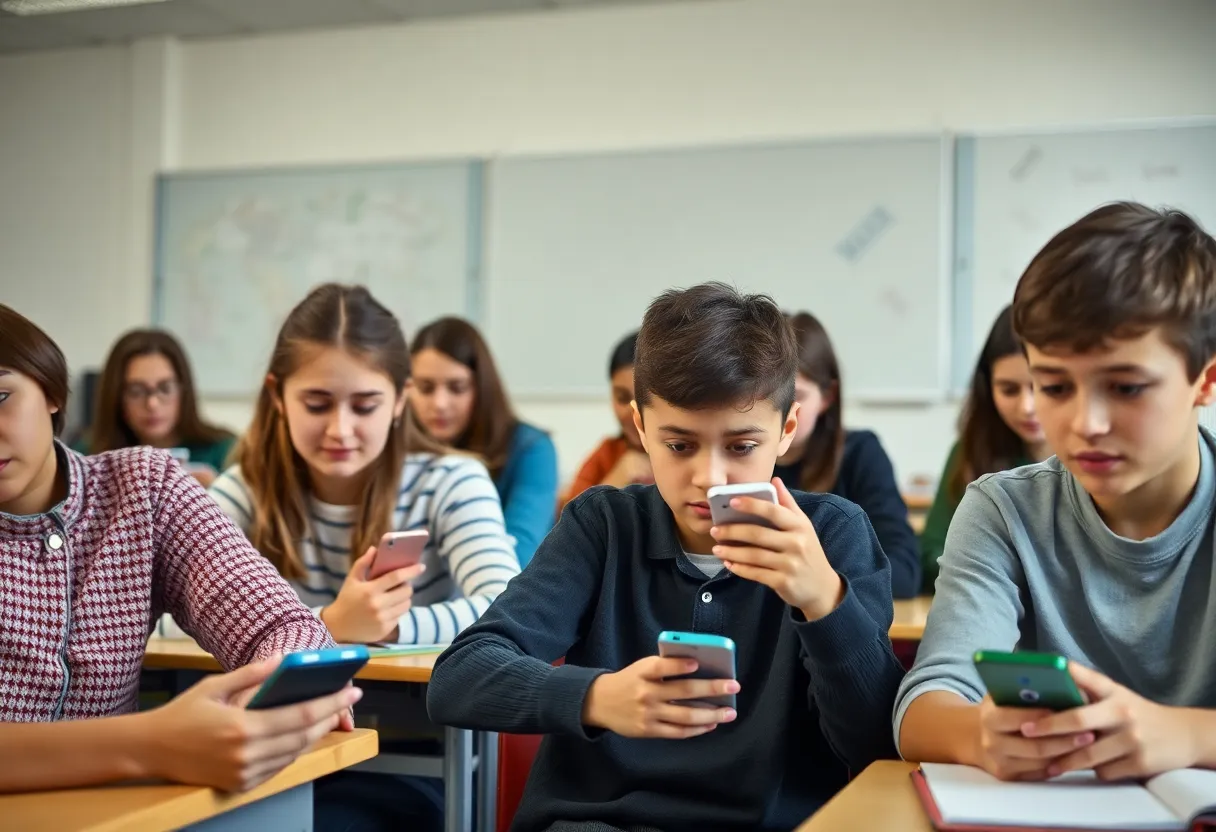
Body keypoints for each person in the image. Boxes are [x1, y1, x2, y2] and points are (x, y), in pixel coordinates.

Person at [428, 282, 905, 831]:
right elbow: (458, 678)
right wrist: (597, 697)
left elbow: (876, 743)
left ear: (787, 429)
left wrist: (825, 602)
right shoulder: (601, 525)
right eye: (679, 445)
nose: (710, 478)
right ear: (640, 428)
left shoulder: (835, 534)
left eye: (741, 447)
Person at [895, 203, 1216, 783]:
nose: (1085, 422)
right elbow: (924, 707)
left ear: (1206, 379)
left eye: (1124, 386)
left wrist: (1186, 734)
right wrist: (978, 734)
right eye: (1054, 385)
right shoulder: (1003, 509)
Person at [0, 304, 354, 794]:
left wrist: (265, 699)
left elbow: (281, 624)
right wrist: (150, 742)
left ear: (52, 392)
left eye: (0, 396)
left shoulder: (143, 488)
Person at [207, 285, 520, 647]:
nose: (340, 431)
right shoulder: (246, 489)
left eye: (365, 406)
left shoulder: (452, 482)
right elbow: (163, 616)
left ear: (401, 398)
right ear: (277, 395)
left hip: (417, 702)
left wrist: (388, 626)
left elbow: (507, 607)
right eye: (317, 404)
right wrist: (330, 623)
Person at [773, 311, 921, 598]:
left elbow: (903, 572)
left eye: (795, 396)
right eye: (767, 397)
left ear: (828, 396)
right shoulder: (731, 466)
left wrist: (818, 581)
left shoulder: (861, 454)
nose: (778, 413)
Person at [408, 317, 558, 566]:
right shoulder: (395, 451)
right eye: (425, 388)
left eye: (457, 388)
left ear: (481, 388)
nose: (439, 404)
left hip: (503, 597)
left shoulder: (531, 449)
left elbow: (516, 560)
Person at [919, 305, 1049, 590]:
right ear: (987, 388)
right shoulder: (970, 453)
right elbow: (932, 551)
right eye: (1009, 390)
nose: (1026, 407)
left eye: (1042, 386)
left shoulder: (1092, 458)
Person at [77, 329, 235, 487]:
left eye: (165, 388)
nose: (152, 404)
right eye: (136, 391)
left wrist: (216, 494)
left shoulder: (225, 451)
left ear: (184, 390)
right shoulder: (86, 455)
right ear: (116, 396)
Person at [561, 332, 653, 508]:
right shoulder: (607, 454)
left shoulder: (684, 454)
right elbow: (566, 525)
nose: (631, 410)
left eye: (643, 400)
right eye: (621, 397)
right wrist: (614, 480)